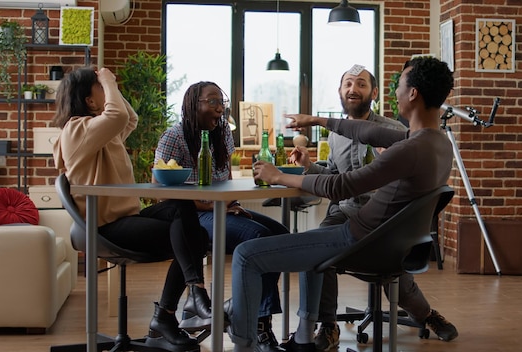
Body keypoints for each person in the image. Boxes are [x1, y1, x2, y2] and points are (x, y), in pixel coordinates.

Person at [227, 56, 455, 352]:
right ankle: (304, 339)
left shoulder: (410, 148)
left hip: (361, 240)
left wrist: (281, 176)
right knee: (305, 242)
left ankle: (245, 346)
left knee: (245, 255)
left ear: (413, 93)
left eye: (399, 86)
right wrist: (318, 120)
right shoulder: (437, 142)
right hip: (383, 240)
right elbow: (366, 132)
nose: (395, 93)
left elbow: (342, 185)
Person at [291, 65, 458, 350]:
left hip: (386, 216)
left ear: (374, 92)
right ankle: (327, 325)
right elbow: (335, 177)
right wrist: (308, 166)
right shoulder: (335, 135)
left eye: (361, 84)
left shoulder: (397, 132)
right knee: (317, 247)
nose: (352, 89)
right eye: (347, 83)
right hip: (345, 210)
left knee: (400, 279)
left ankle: (427, 315)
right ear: (340, 91)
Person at [51, 67, 211, 352]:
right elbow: (119, 116)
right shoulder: (76, 130)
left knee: (186, 215)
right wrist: (108, 80)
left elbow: (129, 118)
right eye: (100, 88)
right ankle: (179, 306)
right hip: (104, 227)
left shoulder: (101, 132)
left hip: (125, 218)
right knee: (193, 237)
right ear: (89, 100)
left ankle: (184, 302)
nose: (108, 90)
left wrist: (108, 86)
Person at [154, 81, 290, 352]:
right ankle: (256, 326)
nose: (220, 108)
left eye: (221, 102)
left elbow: (225, 177)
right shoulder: (174, 136)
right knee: (261, 238)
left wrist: (234, 204)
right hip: (194, 216)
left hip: (222, 209)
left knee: (281, 236)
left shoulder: (223, 135)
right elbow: (159, 189)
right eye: (212, 102)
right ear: (195, 105)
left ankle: (244, 313)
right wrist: (206, 206)